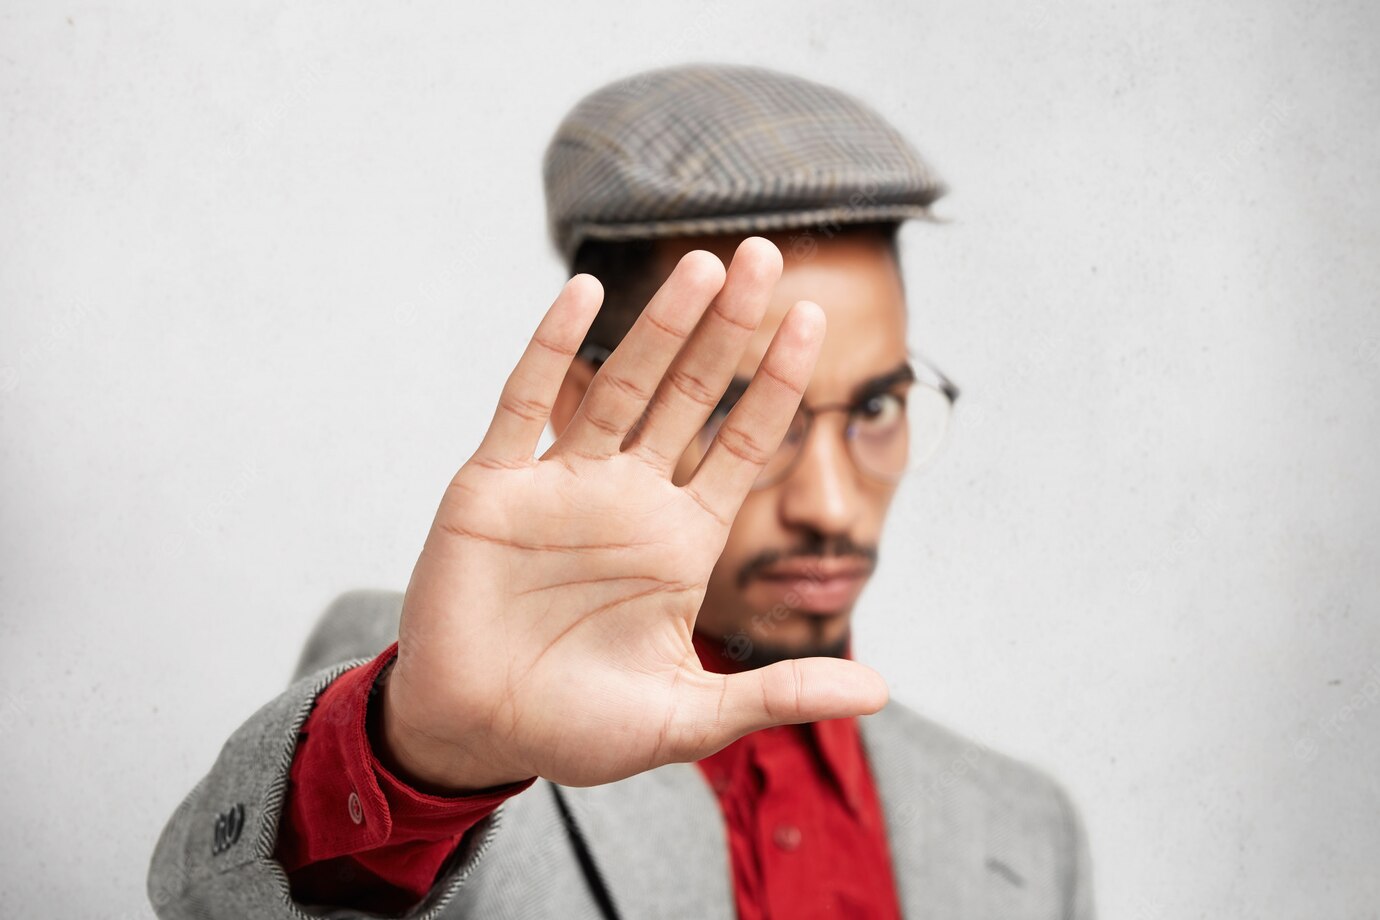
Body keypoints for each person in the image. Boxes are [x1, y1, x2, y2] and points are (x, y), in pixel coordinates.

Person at [149, 63, 1094, 919]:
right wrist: (425, 758)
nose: (834, 507)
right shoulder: (438, 698)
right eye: (744, 412)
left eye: (879, 405)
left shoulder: (1024, 829)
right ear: (588, 396)